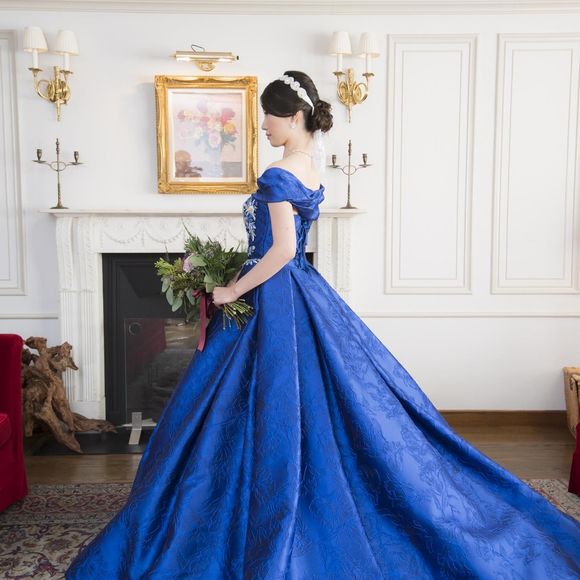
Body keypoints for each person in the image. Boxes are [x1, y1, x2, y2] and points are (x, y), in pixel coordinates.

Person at [65, 71, 579, 579]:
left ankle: (245, 505)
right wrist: (223, 272)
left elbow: (281, 251)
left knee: (252, 401)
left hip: (274, 295)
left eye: (268, 115)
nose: (263, 125)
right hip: (299, 290)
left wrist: (231, 291)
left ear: (293, 117)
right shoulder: (310, 170)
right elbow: (279, 250)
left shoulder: (277, 174)